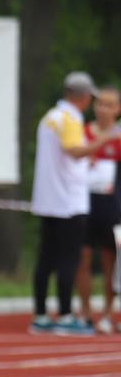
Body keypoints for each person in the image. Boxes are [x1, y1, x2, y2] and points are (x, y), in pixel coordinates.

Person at [29, 72, 121, 335]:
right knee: (69, 260)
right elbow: (73, 150)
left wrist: (84, 158)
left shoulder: (50, 118)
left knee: (45, 260)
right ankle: (67, 314)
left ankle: (41, 315)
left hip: (48, 200)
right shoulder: (71, 119)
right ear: (82, 97)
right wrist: (102, 141)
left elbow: (66, 156)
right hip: (68, 202)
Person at [74, 85, 121, 333]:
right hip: (83, 205)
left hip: (111, 208)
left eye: (109, 104)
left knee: (110, 262)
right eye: (100, 103)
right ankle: (84, 311)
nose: (103, 108)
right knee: (82, 259)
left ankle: (107, 312)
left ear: (118, 109)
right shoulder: (83, 133)